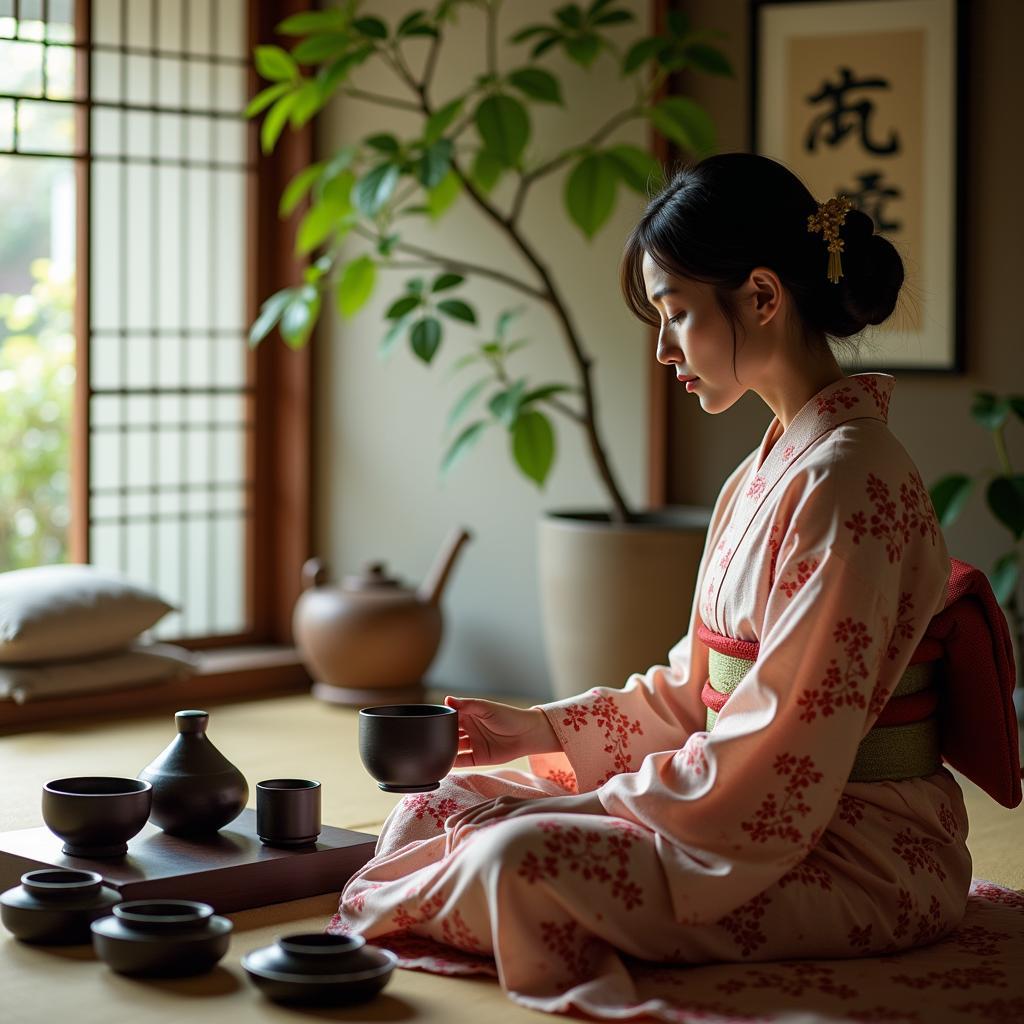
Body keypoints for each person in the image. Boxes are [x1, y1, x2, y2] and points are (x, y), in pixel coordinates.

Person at [330, 153, 978, 1017]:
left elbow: (781, 745)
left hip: (852, 842)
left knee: (510, 861)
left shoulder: (850, 480)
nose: (665, 349)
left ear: (760, 296)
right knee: (444, 802)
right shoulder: (767, 470)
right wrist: (534, 730)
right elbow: (692, 692)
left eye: (675, 314)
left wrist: (594, 808)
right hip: (750, 805)